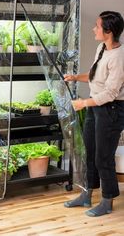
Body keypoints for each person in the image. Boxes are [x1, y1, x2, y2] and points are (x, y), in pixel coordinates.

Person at [63, 11, 124, 217]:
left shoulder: (119, 57)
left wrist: (82, 103)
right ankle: (86, 195)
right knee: (89, 153)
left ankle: (107, 201)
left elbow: (110, 92)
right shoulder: (101, 48)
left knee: (103, 157)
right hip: (94, 107)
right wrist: (75, 77)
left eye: (97, 26)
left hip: (112, 110)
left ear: (108, 31)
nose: (94, 29)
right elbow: (94, 76)